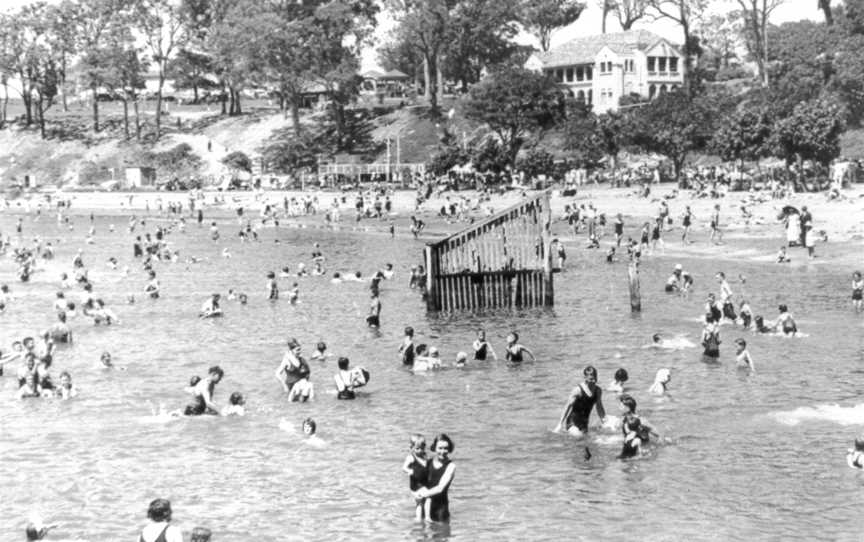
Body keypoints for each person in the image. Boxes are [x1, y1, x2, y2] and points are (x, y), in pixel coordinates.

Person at [414, 433, 455, 523]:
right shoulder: (428, 462)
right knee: (421, 534)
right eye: (440, 448)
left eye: (446, 448)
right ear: (435, 448)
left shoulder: (451, 466)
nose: (443, 451)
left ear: (449, 449)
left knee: (442, 535)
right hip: (425, 506)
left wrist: (423, 494)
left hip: (440, 510)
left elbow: (440, 488)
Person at [554, 366, 607, 436]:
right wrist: (560, 424)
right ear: (585, 378)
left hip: (584, 424)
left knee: (586, 442)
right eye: (591, 379)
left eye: (595, 378)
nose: (594, 381)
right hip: (572, 423)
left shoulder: (598, 391)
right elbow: (567, 406)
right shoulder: (578, 390)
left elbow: (599, 407)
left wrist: (604, 421)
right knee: (578, 437)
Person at [402, 434, 429, 521]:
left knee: (427, 499)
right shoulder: (411, 457)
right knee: (419, 502)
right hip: (416, 484)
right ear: (412, 448)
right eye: (417, 448)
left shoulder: (425, 456)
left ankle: (426, 516)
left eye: (422, 448)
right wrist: (410, 471)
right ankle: (418, 518)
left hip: (424, 482)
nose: (420, 451)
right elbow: (404, 468)